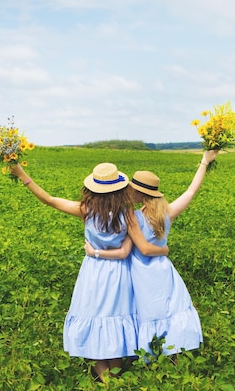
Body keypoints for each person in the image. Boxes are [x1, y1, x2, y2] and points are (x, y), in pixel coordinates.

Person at [9, 162, 167, 381]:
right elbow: (124, 253)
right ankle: (116, 377)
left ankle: (105, 381)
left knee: (93, 318)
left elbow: (48, 199)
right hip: (118, 274)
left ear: (92, 188)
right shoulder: (128, 214)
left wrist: (21, 174)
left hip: (93, 272)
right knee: (115, 319)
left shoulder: (86, 210)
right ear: (120, 188)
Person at [85, 150, 218, 356]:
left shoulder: (132, 216)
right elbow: (191, 191)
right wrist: (204, 162)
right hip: (164, 270)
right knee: (170, 311)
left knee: (149, 314)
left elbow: (143, 249)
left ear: (138, 193)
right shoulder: (167, 212)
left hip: (141, 272)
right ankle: (175, 360)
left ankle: (151, 357)